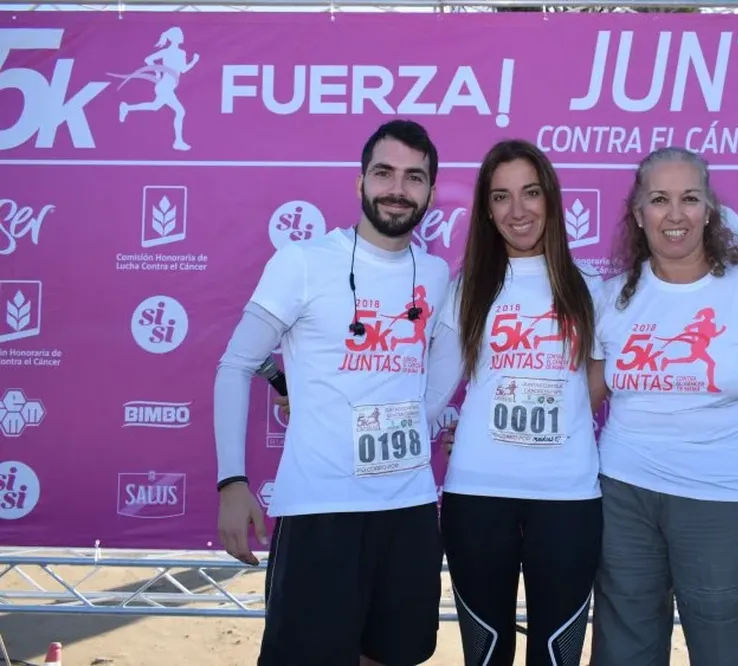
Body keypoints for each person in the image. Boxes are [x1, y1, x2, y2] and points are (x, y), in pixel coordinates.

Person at [213, 119, 451, 666]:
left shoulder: (436, 274)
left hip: (410, 509)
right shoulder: (302, 262)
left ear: (431, 193)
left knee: (394, 655)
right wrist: (232, 480)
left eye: (414, 177)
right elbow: (236, 365)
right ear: (360, 182)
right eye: (384, 172)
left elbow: (445, 360)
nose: (398, 188)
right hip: (320, 510)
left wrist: (424, 417)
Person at [587, 146, 738, 666]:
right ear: (638, 214)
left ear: (709, 209)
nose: (675, 214)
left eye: (689, 198)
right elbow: (578, 407)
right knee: (623, 654)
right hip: (623, 502)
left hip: (726, 507)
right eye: (659, 200)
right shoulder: (610, 297)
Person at [422, 139, 606, 666]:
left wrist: (556, 420)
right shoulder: (466, 290)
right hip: (478, 495)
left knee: (557, 655)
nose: (518, 210)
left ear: (551, 197)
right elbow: (434, 393)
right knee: (487, 654)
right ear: (486, 209)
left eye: (530, 192)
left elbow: (600, 380)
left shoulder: (592, 287)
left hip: (568, 499)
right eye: (501, 197)